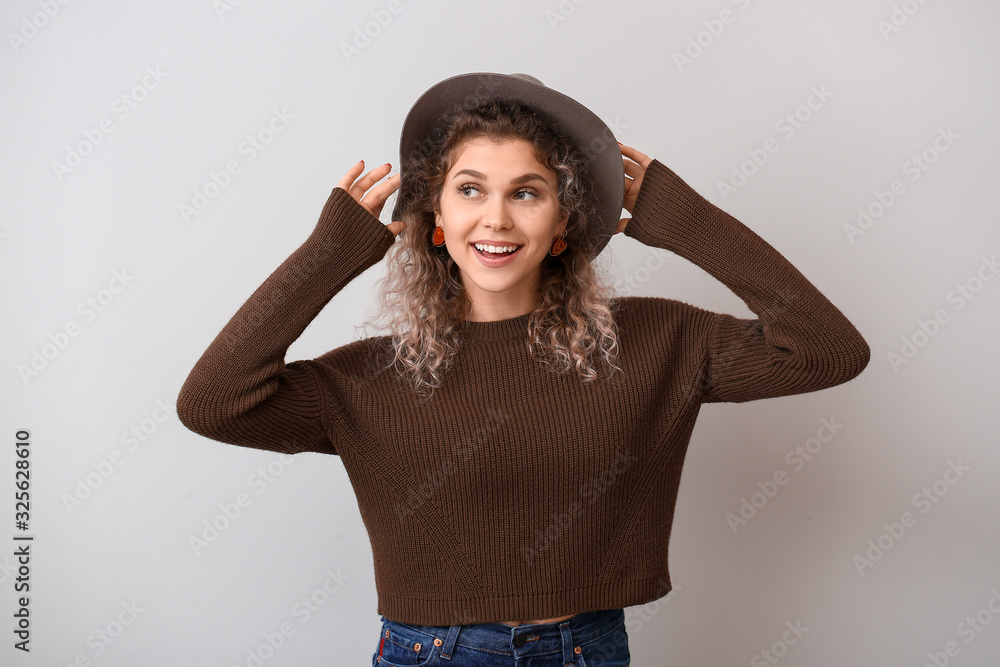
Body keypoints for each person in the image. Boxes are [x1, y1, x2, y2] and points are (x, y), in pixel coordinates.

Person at [177, 72, 870, 666]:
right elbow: (212, 403)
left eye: (528, 192)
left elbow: (826, 349)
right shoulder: (370, 376)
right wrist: (328, 252)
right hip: (429, 652)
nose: (497, 219)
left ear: (564, 218)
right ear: (436, 215)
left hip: (584, 647)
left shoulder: (656, 339)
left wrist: (683, 218)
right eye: (471, 189)